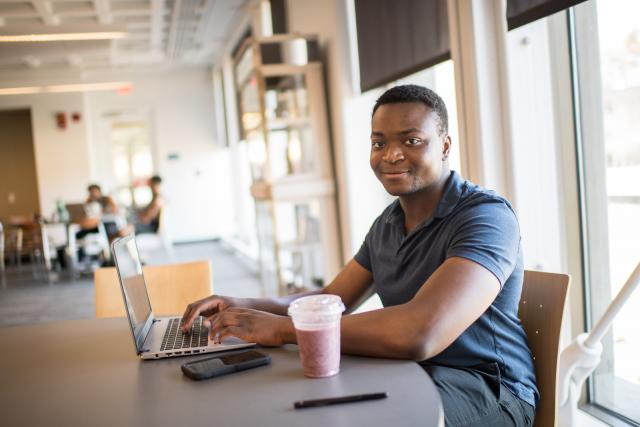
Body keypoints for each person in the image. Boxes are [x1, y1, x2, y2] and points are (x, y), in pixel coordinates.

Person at [181, 85, 537, 426]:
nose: (391, 154)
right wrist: (238, 304)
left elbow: (421, 332)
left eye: (411, 140)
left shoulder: (486, 217)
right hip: (411, 373)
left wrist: (283, 329)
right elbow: (328, 300)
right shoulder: (388, 222)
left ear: (445, 146)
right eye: (379, 142)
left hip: (489, 390)